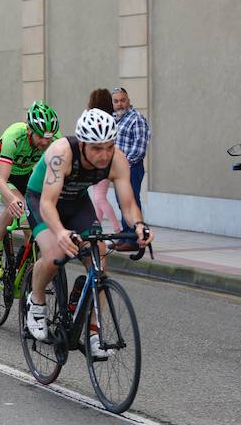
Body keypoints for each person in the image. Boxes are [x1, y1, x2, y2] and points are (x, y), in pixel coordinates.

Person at [24, 108, 153, 356]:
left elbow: (127, 204)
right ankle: (36, 301)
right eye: (96, 148)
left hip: (76, 202)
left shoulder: (117, 160)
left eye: (108, 146)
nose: (104, 155)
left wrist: (138, 225)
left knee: (99, 262)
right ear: (82, 144)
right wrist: (61, 232)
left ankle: (93, 334)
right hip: (42, 199)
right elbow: (48, 204)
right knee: (53, 254)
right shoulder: (61, 154)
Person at [0, 101, 60, 279]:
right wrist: (11, 199)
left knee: (33, 231)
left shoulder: (54, 140)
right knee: (18, 204)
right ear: (29, 130)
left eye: (49, 137)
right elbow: (2, 181)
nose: (45, 142)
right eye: (41, 137)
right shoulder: (14, 135)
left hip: (25, 177)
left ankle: (25, 272)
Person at [111, 87, 151, 251]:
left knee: (131, 201)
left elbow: (140, 148)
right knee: (122, 202)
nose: (120, 104)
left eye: (122, 100)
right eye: (116, 101)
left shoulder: (137, 119)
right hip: (117, 169)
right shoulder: (114, 119)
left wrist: (124, 165)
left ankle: (135, 240)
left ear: (128, 100)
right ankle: (126, 236)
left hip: (132, 168)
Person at [88, 89, 121, 233]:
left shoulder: (96, 119)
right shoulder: (111, 119)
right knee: (97, 198)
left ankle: (117, 228)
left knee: (99, 197)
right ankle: (97, 229)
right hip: (109, 160)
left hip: (99, 163)